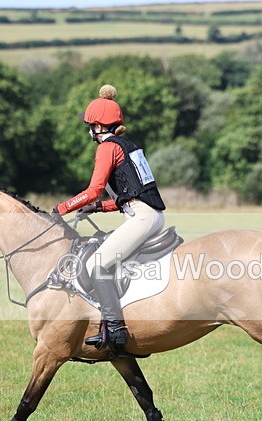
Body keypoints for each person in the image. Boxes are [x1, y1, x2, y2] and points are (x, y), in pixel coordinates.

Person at [53, 84, 166, 352]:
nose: (88, 131)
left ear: (98, 126)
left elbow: (93, 190)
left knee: (98, 264)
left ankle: (115, 330)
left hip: (142, 218)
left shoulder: (107, 148)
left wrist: (61, 209)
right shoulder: (129, 145)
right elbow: (132, 193)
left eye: (89, 125)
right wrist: (99, 209)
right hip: (149, 214)